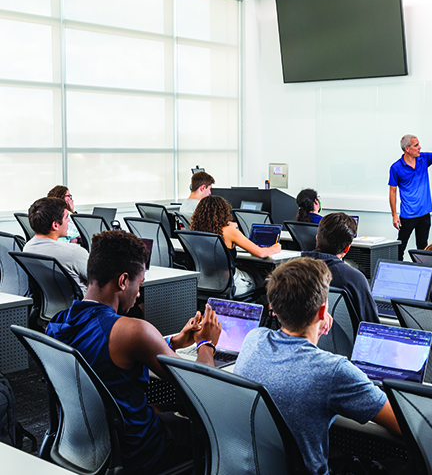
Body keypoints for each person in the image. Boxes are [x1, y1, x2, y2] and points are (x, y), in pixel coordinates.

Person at [46, 230, 221, 475]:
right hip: (138, 449)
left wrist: (174, 342)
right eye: (139, 284)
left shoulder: (59, 322)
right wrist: (206, 345)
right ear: (123, 281)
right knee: (210, 434)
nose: (139, 294)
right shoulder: (132, 331)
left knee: (166, 409)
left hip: (82, 440)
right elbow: (204, 386)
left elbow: (108, 352)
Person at [234, 257, 400, 475]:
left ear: (272, 307)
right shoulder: (333, 371)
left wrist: (314, 327)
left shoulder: (254, 339)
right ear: (323, 312)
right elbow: (401, 423)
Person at [190, 195, 281, 295]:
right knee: (264, 277)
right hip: (231, 285)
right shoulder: (229, 231)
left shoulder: (195, 232)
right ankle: (261, 308)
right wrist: (274, 248)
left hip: (204, 283)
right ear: (223, 212)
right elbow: (261, 253)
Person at [302, 212, 380, 323]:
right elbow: (371, 324)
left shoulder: (293, 270)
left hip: (303, 338)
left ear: (317, 238)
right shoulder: (354, 278)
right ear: (347, 248)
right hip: (345, 340)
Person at [23, 197, 89, 293]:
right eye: (66, 217)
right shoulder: (74, 252)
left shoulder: (27, 248)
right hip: (80, 306)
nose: (69, 221)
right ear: (55, 225)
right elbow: (102, 280)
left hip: (49, 306)